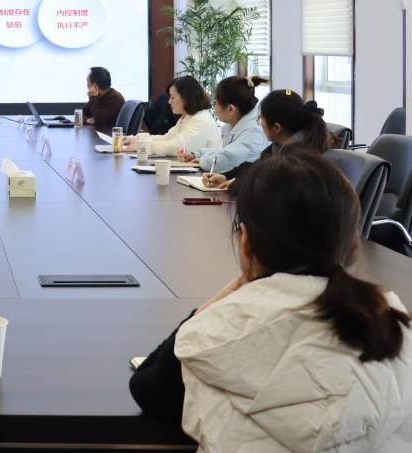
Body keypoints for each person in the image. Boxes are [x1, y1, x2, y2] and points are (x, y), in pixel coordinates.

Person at [129, 153, 412, 449]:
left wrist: (211, 306)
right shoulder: (393, 319)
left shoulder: (222, 328)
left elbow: (147, 389)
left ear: (246, 241)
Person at [201, 88, 332, 189]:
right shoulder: (280, 145)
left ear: (276, 128)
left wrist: (236, 184)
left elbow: (268, 186)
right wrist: (226, 176)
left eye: (260, 119)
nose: (259, 124)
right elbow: (257, 167)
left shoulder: (297, 159)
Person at [178, 77, 269, 174]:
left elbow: (220, 161)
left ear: (230, 109)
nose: (214, 107)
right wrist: (197, 154)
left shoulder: (254, 132)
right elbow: (223, 151)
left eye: (215, 103)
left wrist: (202, 160)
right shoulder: (234, 124)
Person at [141, 76, 222, 156]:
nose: (169, 102)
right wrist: (141, 140)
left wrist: (147, 146)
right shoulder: (187, 117)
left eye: (172, 97)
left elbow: (177, 147)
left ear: (186, 98)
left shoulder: (201, 120)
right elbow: (168, 137)